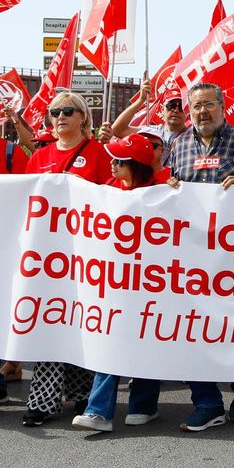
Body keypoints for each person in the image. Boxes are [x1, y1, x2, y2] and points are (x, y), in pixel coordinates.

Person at [164, 81, 234, 431]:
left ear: (223, 107)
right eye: (195, 106)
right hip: (193, 258)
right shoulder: (179, 145)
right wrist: (170, 188)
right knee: (192, 328)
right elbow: (174, 189)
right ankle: (207, 402)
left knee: (233, 327)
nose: (201, 112)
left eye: (208, 105)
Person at [10, 90, 113, 425]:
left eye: (69, 111)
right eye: (55, 112)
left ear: (83, 116)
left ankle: (82, 395)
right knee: (48, 321)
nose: (61, 117)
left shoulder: (99, 153)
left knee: (83, 322)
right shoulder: (39, 157)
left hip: (87, 256)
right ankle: (43, 401)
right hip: (47, 258)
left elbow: (111, 198)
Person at [71, 133, 169, 433]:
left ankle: (144, 404)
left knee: (148, 341)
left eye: (120, 161)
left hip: (154, 283)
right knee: (112, 340)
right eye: (112, 158)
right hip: (116, 283)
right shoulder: (107, 191)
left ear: (137, 166)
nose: (112, 164)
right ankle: (98, 410)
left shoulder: (163, 190)